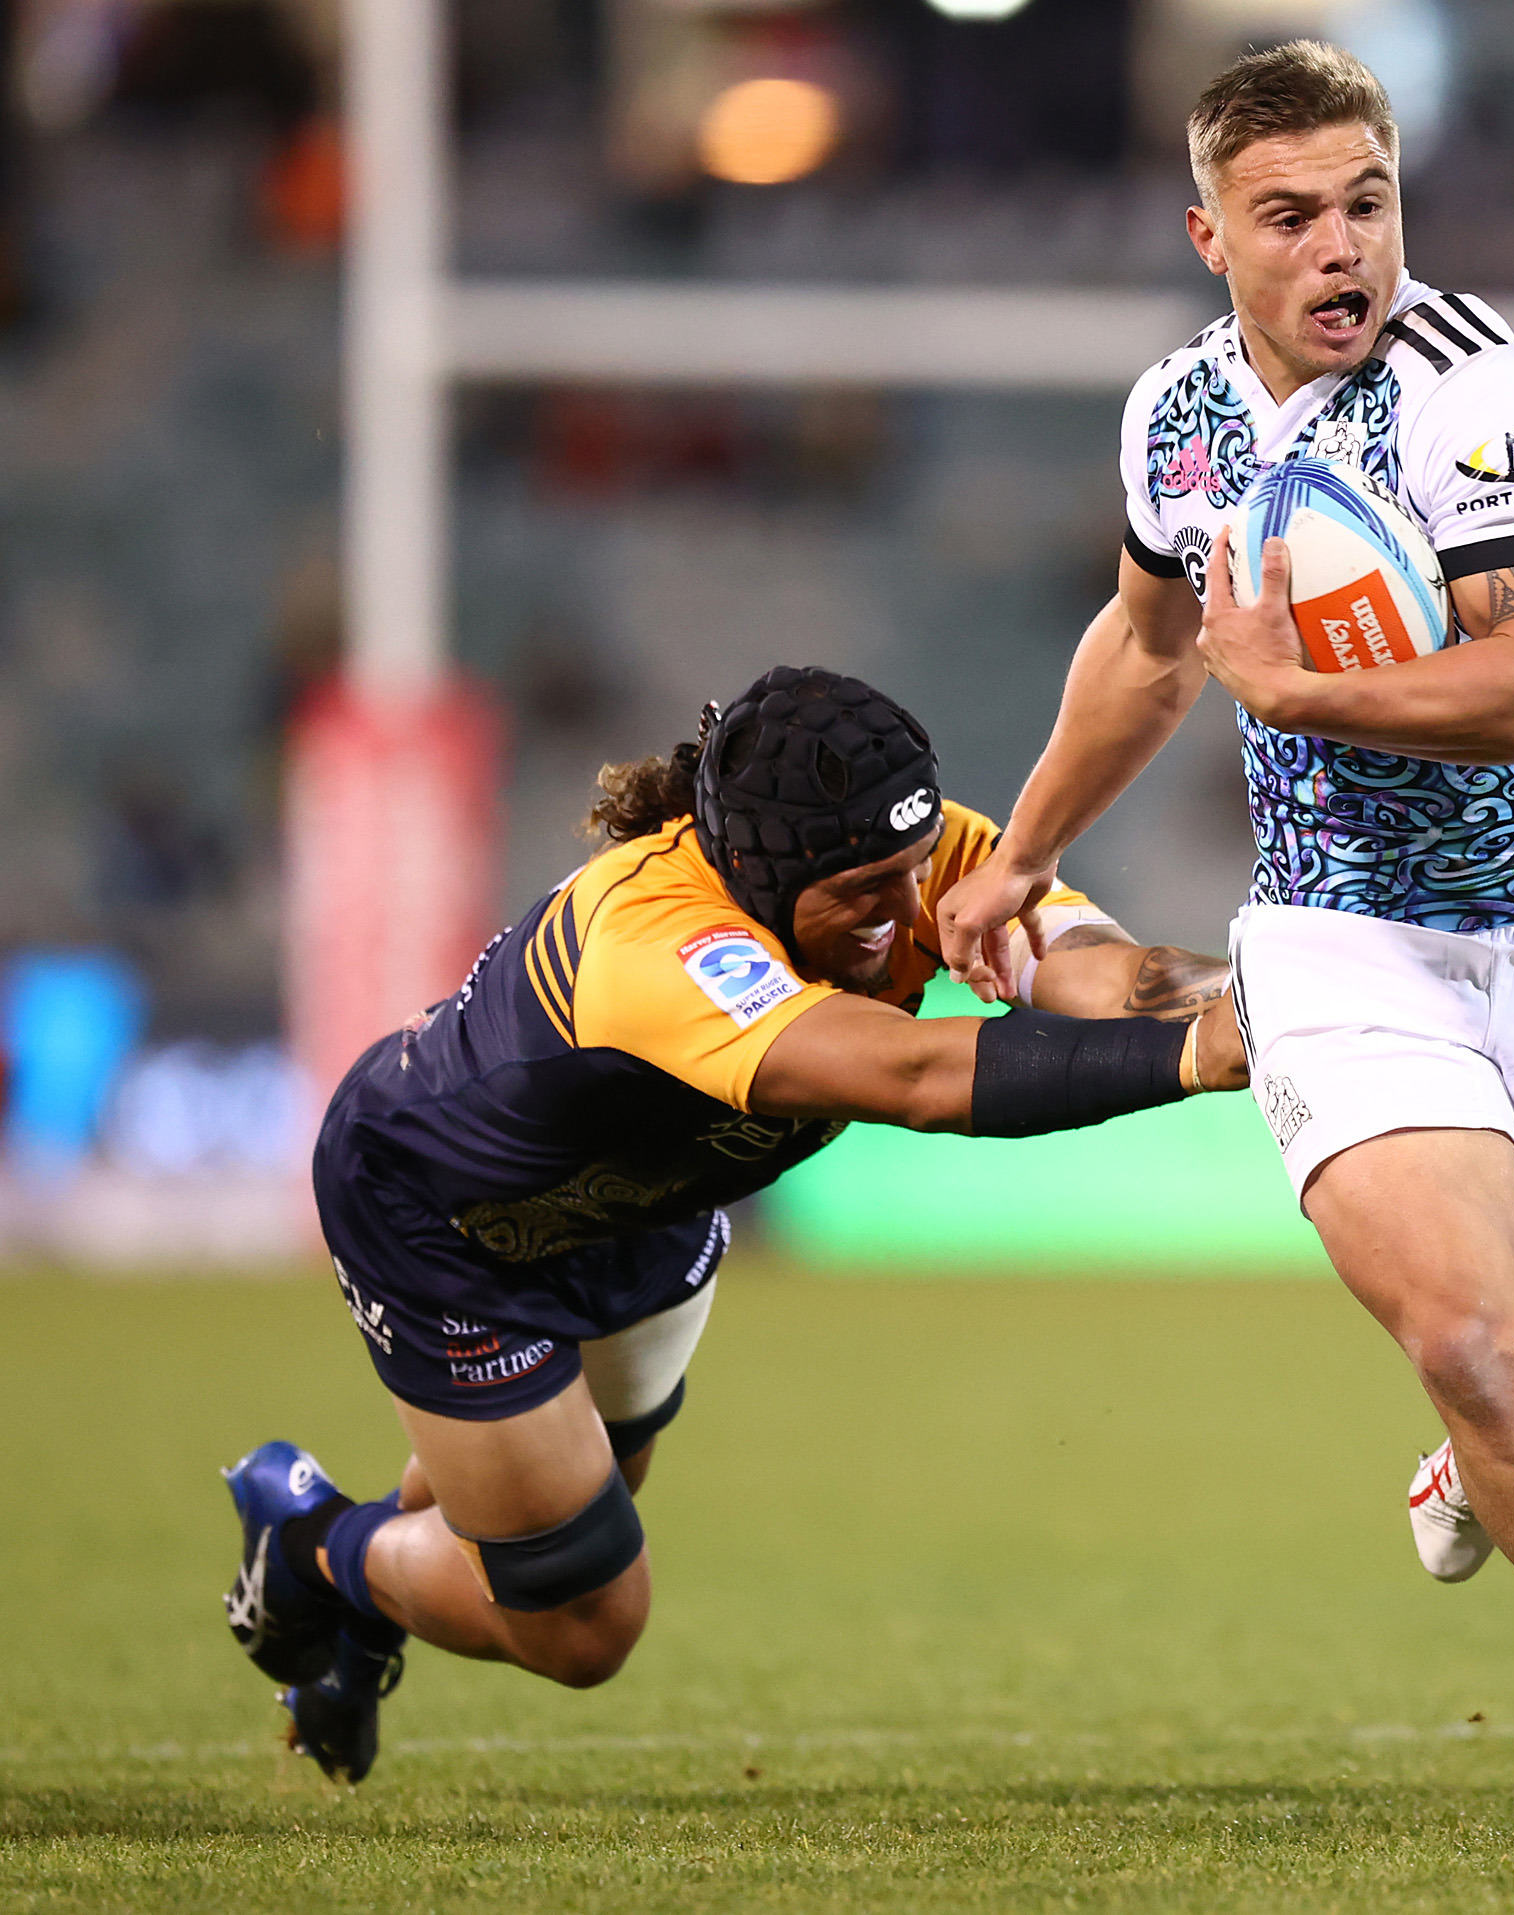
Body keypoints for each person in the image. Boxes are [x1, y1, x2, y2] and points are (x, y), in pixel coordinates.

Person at [934, 42, 1514, 1850]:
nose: (1346, 248)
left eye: (1370, 202)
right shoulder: (1170, 419)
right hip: (1346, 941)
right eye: (1294, 216)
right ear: (1210, 234)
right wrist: (1018, 854)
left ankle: (1479, 1463)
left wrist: (1303, 679)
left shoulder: (1468, 388)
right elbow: (1140, 641)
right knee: (1483, 1348)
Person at [224, 666, 1246, 1783]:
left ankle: (360, 1584)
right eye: (867, 890)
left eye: (915, 871)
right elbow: (907, 1073)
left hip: (647, 1204)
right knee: (585, 1622)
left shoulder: (913, 851)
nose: (909, 911)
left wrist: (1260, 1004)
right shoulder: (658, 941)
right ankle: (318, 1550)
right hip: (448, 1225)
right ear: (759, 873)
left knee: (554, 1509)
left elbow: (1108, 972)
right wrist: (1190, 1060)